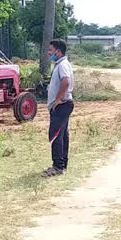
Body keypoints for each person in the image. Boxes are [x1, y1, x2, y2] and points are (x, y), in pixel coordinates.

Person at [41, 38, 74, 178]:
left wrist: (58, 99)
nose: (49, 53)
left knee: (55, 135)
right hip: (64, 105)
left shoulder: (62, 65)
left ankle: (57, 167)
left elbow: (65, 82)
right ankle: (62, 164)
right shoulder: (61, 64)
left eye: (51, 50)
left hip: (62, 105)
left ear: (58, 52)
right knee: (62, 135)